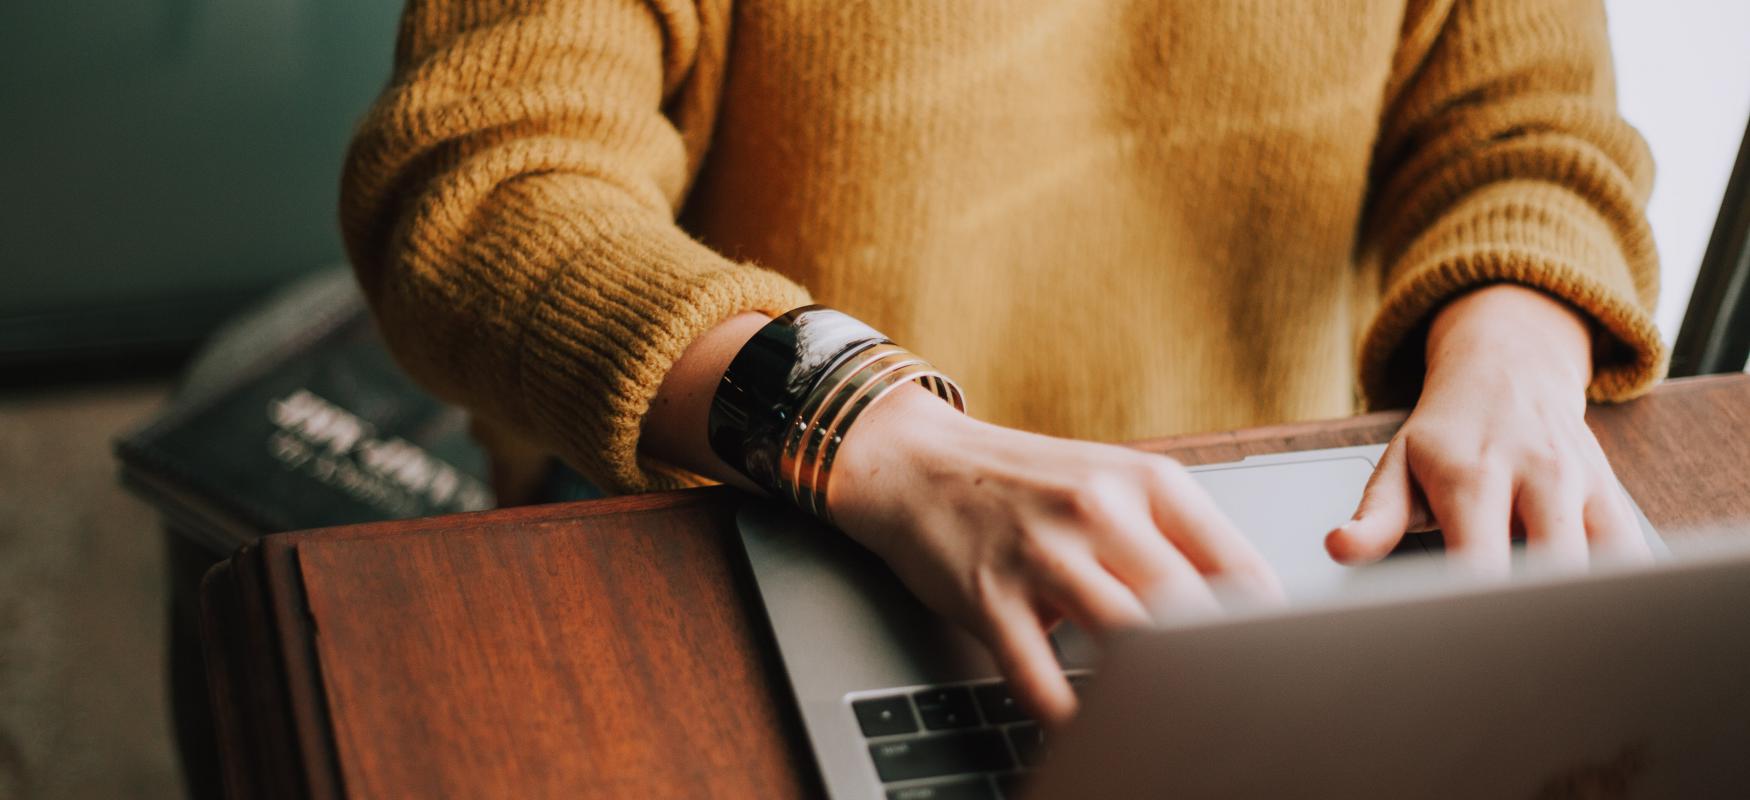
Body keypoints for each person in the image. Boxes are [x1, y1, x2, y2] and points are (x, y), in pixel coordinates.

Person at [340, 0, 1664, 725]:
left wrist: (1516, 352)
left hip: (1261, 553)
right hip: (760, 513)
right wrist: (874, 432)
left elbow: (1527, 123)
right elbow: (482, 183)